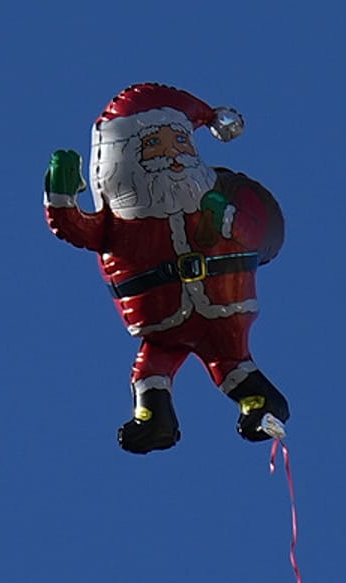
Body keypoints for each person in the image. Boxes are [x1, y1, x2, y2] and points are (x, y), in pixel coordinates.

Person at [44, 83, 290, 454]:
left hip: (221, 304)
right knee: (151, 370)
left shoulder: (212, 200)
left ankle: (260, 406)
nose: (171, 156)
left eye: (178, 144)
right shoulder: (122, 223)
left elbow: (247, 230)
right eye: (154, 146)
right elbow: (78, 229)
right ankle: (155, 420)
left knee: (230, 360)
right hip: (162, 317)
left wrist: (224, 221)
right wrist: (61, 199)